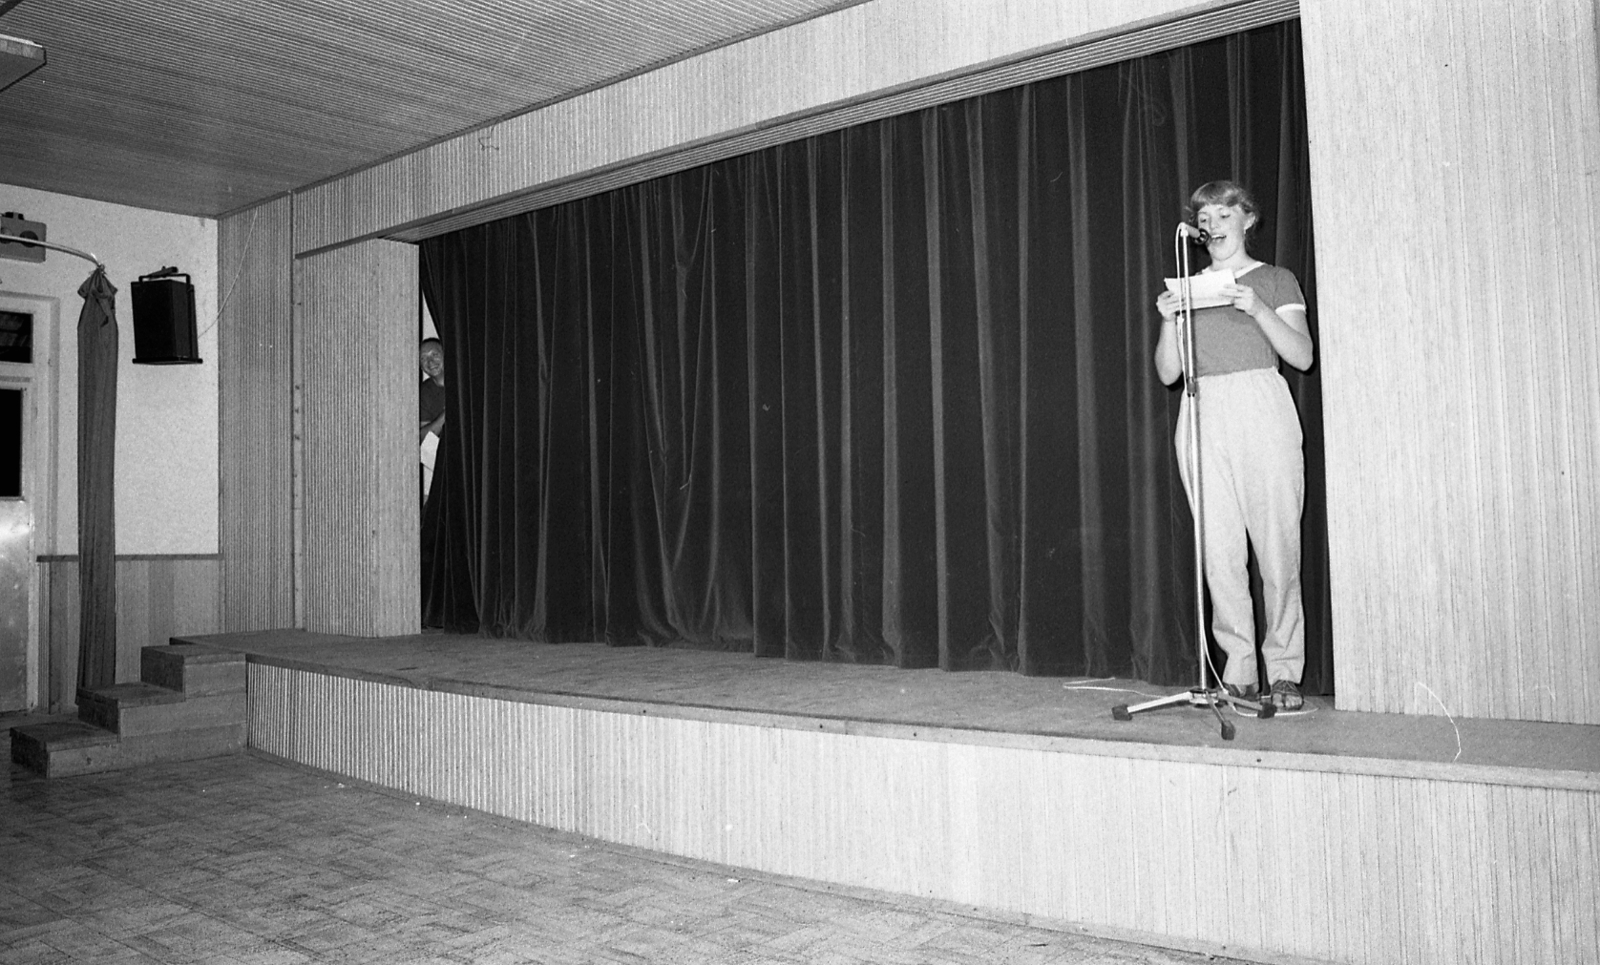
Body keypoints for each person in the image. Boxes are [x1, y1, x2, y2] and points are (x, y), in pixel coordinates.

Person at [1153, 180, 1313, 710]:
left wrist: (1256, 308)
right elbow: (1169, 372)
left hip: (1261, 405)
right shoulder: (1189, 286)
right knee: (1219, 552)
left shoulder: (1274, 279)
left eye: (1225, 213)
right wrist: (1171, 318)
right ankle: (1239, 669)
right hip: (1204, 411)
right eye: (1205, 215)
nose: (1214, 224)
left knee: (1276, 546)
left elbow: (1301, 356)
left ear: (1247, 219)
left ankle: (1285, 671)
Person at [419, 337, 446, 503]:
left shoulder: (467, 381)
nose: (430, 362)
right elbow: (422, 437)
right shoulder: (425, 391)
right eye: (423, 358)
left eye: (434, 355)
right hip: (440, 462)